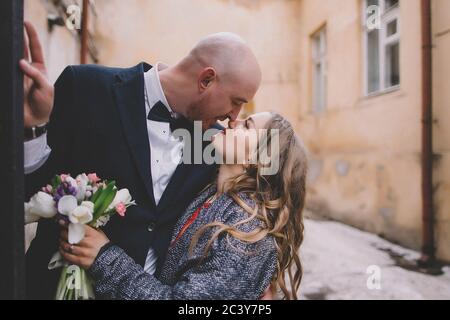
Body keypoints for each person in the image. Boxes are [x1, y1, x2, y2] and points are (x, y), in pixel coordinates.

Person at [20, 21, 262, 299]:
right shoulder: (85, 87)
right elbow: (27, 195)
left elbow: (272, 179)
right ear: (206, 80)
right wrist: (34, 129)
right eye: (236, 101)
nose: (235, 116)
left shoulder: (216, 141)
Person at [59, 112, 308, 300]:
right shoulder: (212, 195)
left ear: (257, 158)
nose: (233, 121)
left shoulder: (249, 235)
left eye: (247, 126)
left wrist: (104, 258)